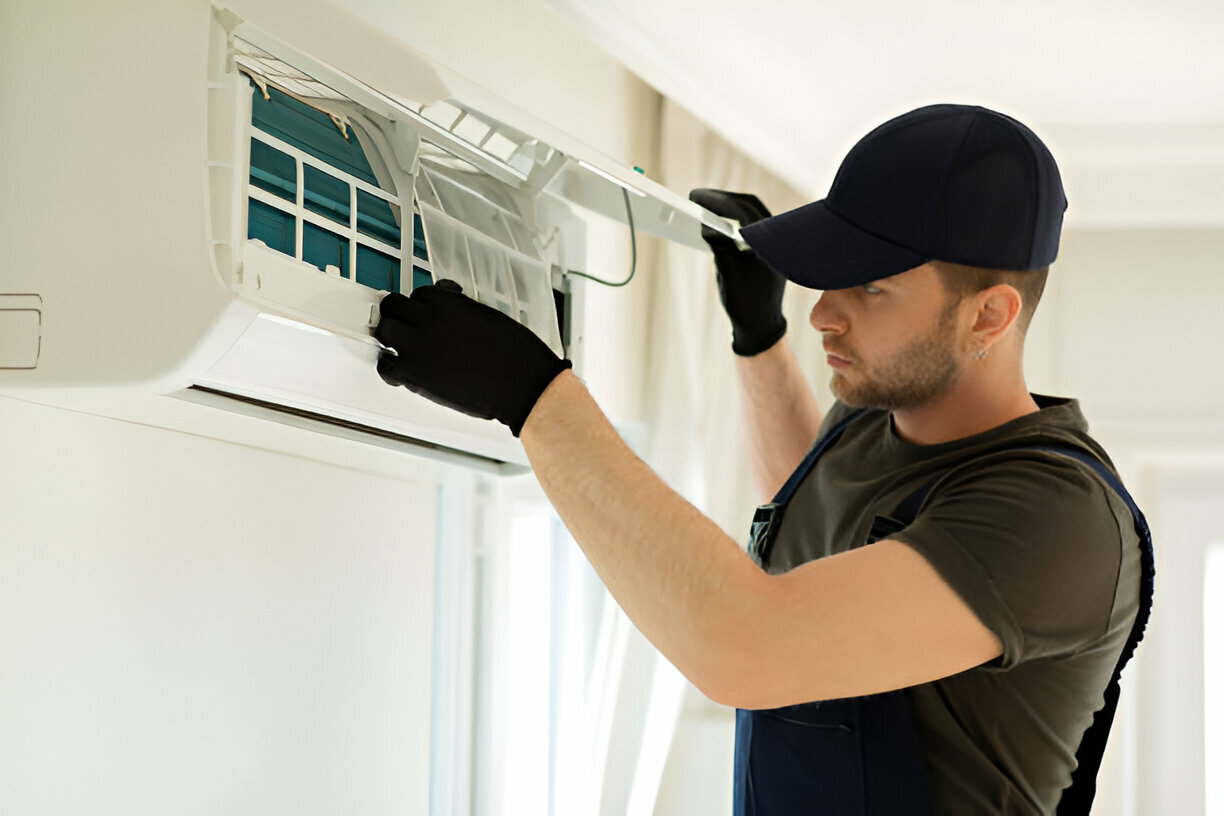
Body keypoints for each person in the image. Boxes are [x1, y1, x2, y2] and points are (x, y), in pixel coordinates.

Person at [374, 104, 1152, 815]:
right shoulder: (874, 417)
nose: (821, 312)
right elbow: (815, 503)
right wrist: (760, 337)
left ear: (989, 315)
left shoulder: (1052, 516)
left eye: (869, 288)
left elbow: (745, 648)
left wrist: (533, 398)